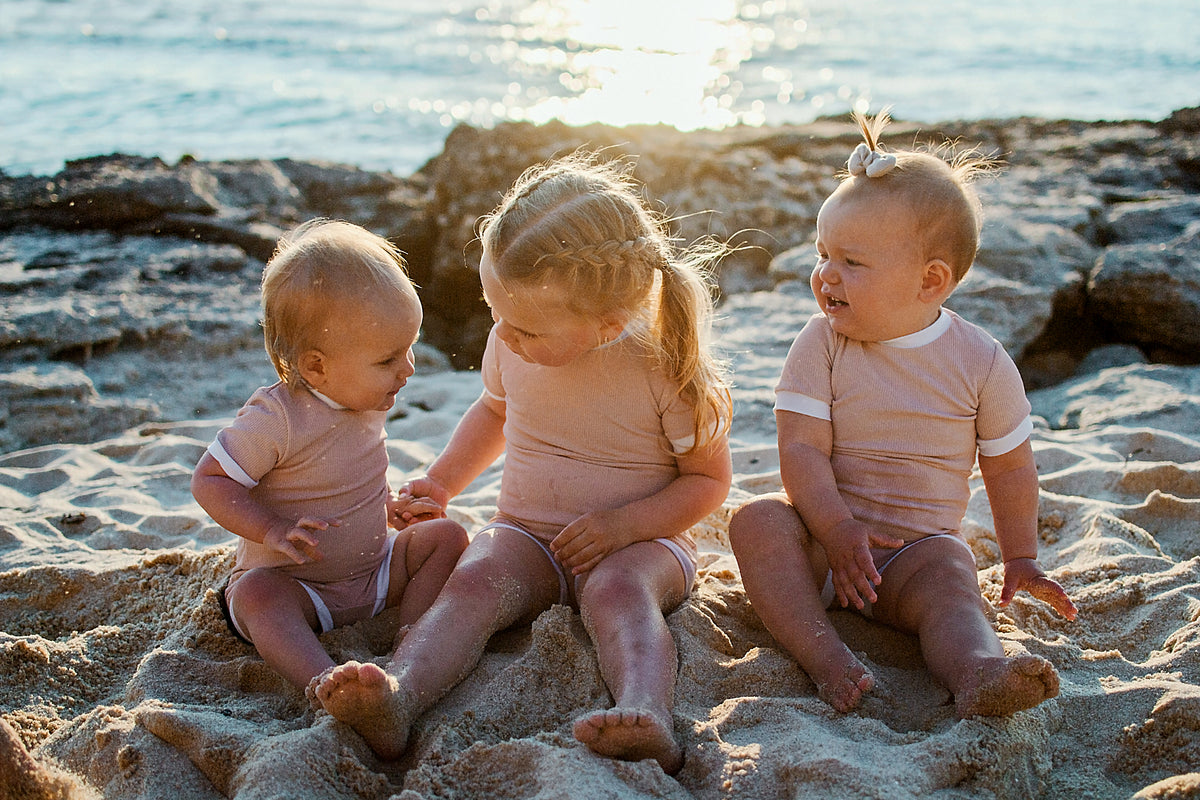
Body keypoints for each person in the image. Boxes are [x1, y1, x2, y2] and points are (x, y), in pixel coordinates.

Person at [310, 152, 733, 774]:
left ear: (608, 323)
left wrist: (622, 528)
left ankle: (649, 714)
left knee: (620, 597)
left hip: (637, 546)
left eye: (526, 327)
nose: (505, 334)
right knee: (474, 581)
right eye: (496, 314)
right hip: (527, 535)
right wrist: (442, 481)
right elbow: (494, 414)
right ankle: (401, 694)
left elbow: (708, 481)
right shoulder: (511, 339)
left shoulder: (663, 361)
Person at [728, 109, 1078, 718]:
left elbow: (1010, 468)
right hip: (823, 540)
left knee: (953, 577)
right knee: (757, 523)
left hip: (912, 556)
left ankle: (976, 673)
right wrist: (836, 530)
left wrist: (1021, 556)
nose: (826, 275)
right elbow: (801, 451)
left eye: (852, 263)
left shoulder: (982, 363)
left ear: (931, 280)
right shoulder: (821, 342)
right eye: (822, 253)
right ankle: (826, 656)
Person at [191, 219, 468, 694]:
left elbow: (355, 470)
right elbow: (210, 479)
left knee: (446, 536)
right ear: (316, 366)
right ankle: (323, 680)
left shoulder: (364, 397)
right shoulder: (276, 416)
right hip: (300, 587)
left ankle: (412, 643)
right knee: (256, 595)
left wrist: (389, 508)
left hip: (373, 574)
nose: (407, 370)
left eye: (409, 350)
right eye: (388, 360)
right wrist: (270, 529)